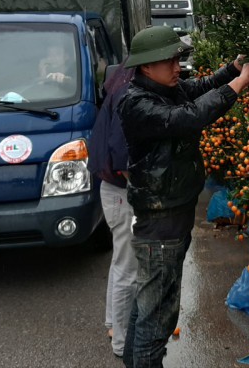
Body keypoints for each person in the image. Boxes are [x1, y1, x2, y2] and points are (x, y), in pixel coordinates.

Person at [116, 25, 249, 368]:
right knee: (157, 317)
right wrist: (239, 85)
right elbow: (189, 118)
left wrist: (232, 69)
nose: (177, 67)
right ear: (147, 66)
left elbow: (199, 89)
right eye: (169, 61)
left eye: (178, 59)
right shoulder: (138, 103)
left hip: (169, 217)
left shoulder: (166, 89)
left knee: (149, 305)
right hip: (159, 226)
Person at [89, 63, 138, 360]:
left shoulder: (120, 83)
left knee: (120, 262)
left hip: (112, 190)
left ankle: (112, 323)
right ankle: (121, 342)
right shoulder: (129, 96)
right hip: (121, 192)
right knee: (128, 270)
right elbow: (122, 157)